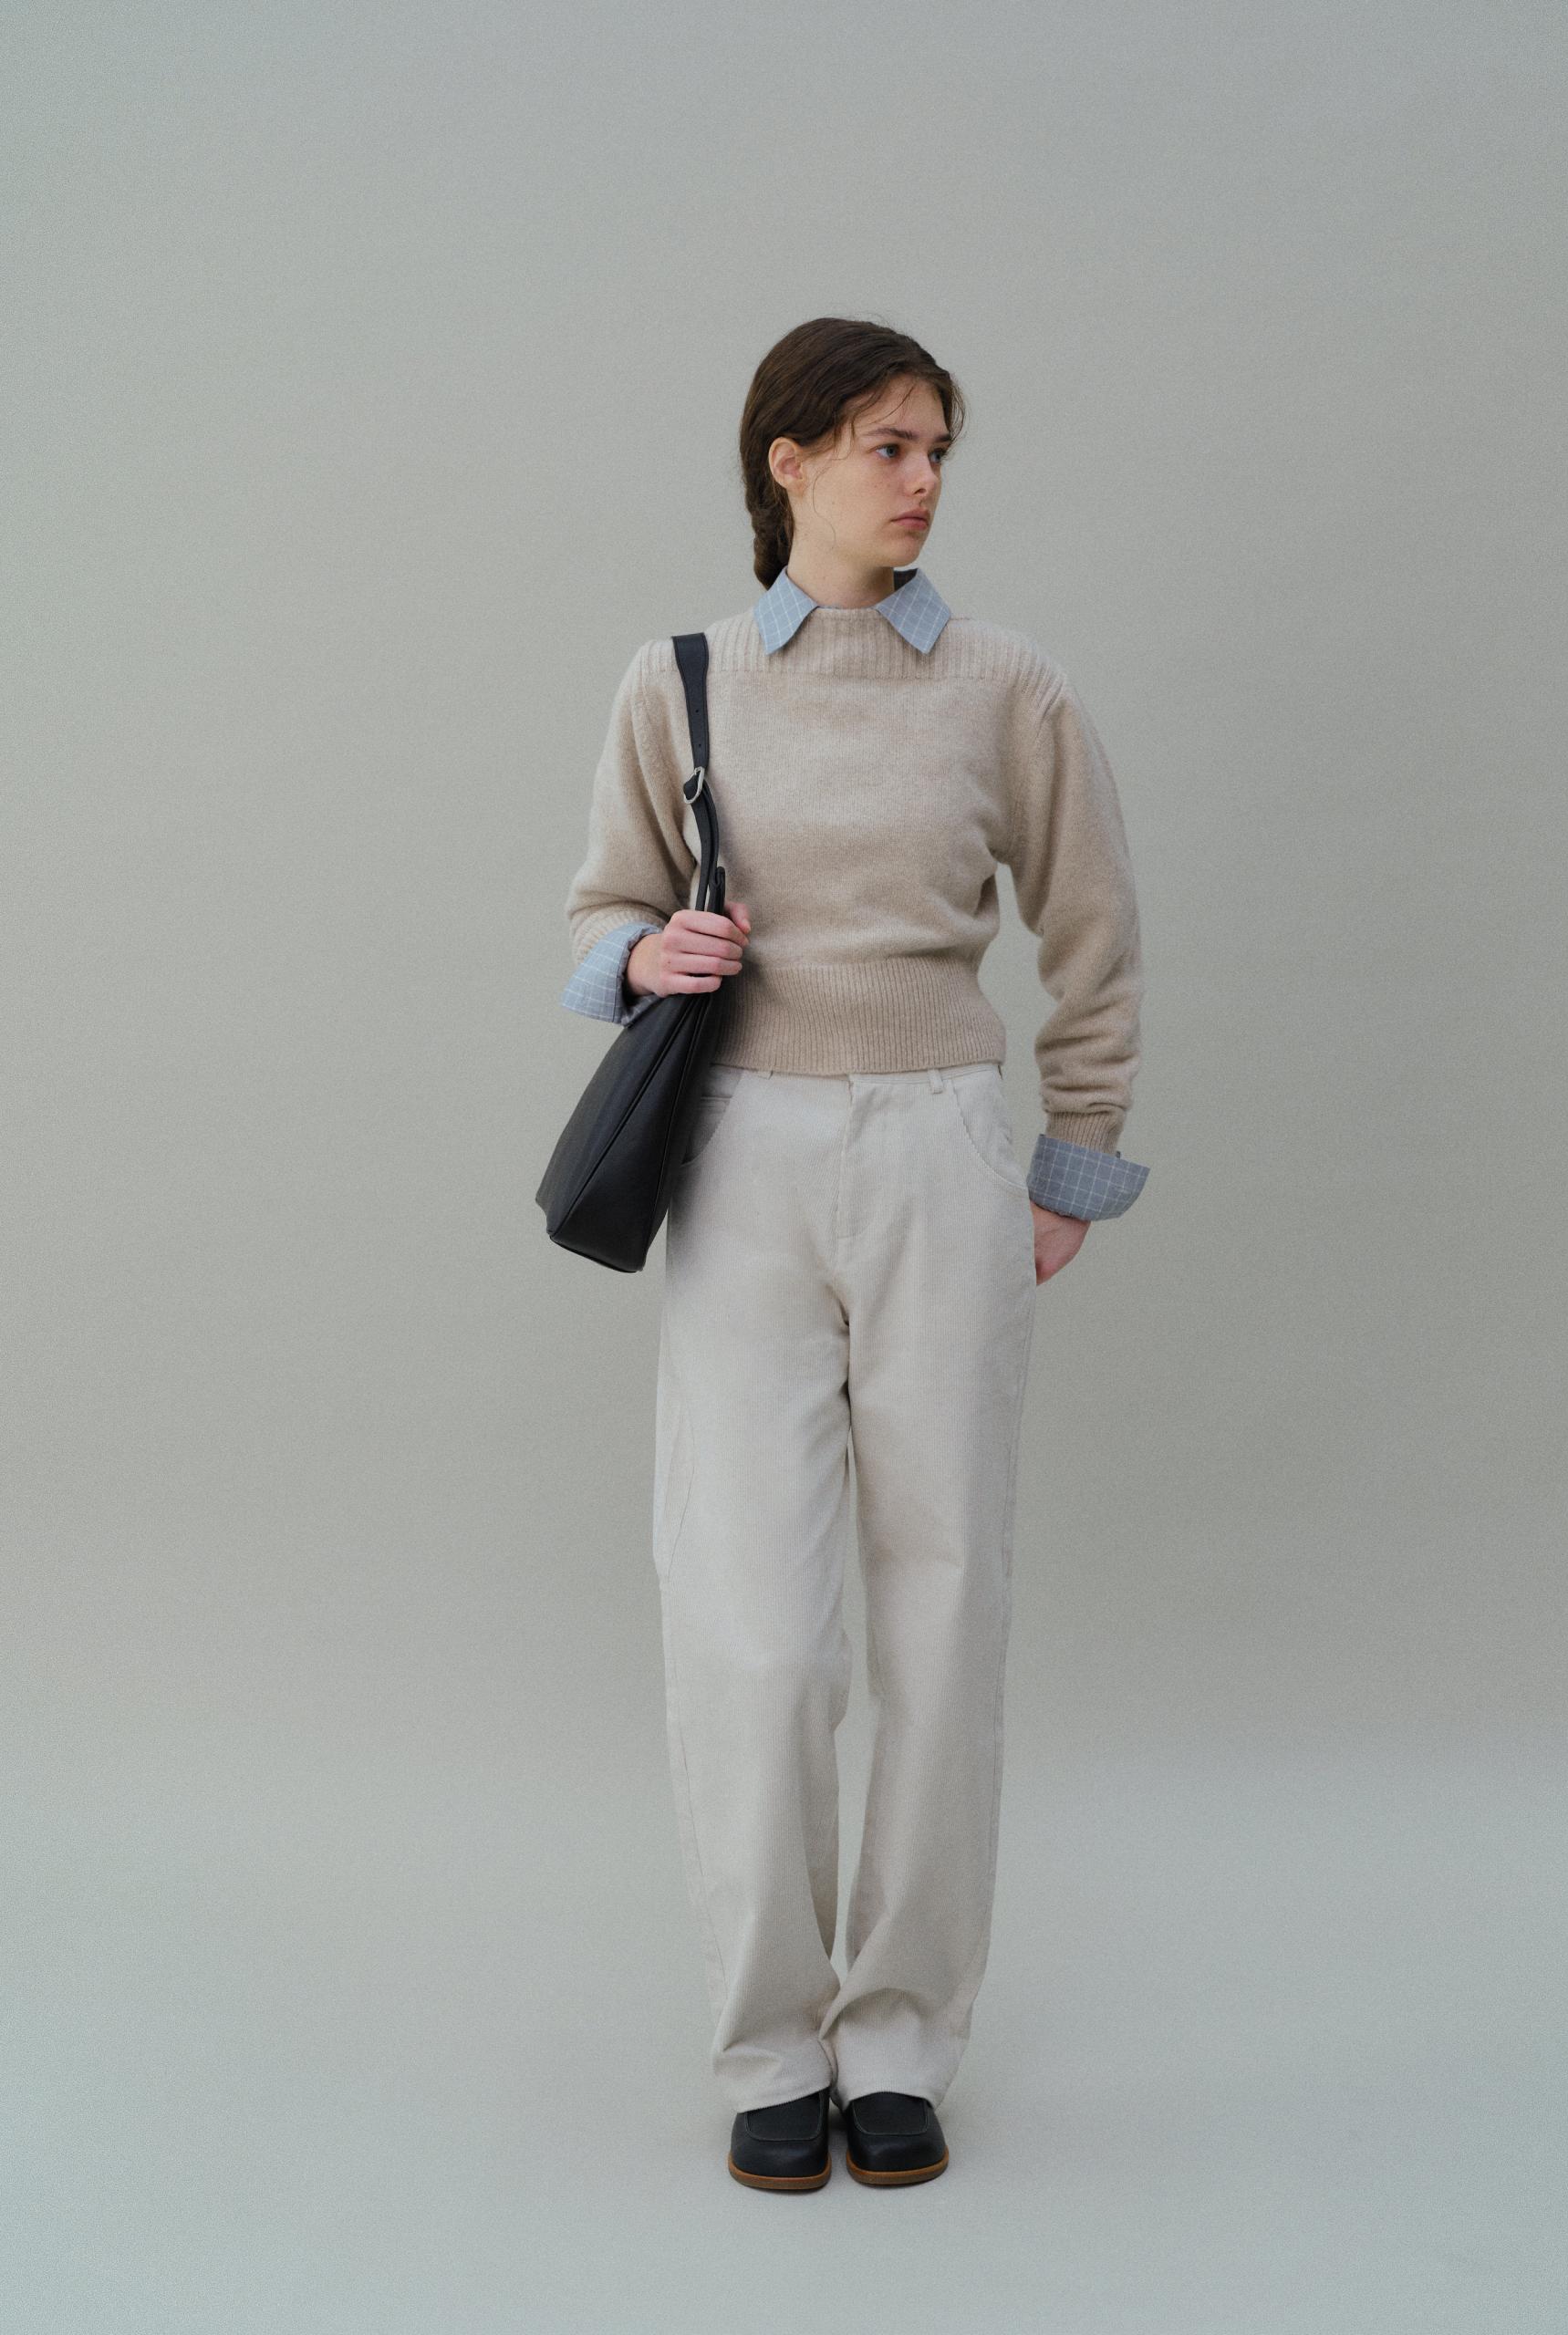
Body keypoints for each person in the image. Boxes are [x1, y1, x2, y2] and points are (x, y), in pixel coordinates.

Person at [560, 317, 1148, 2191]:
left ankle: (898, 2038)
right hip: (739, 1152)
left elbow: (1093, 932)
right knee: (749, 1624)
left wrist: (1071, 1161)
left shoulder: (1007, 685)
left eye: (938, 449)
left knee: (942, 1606)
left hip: (942, 1153)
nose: (923, 480)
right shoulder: (680, 681)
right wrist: (641, 954)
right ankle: (769, 2043)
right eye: (890, 444)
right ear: (790, 459)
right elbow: (601, 911)